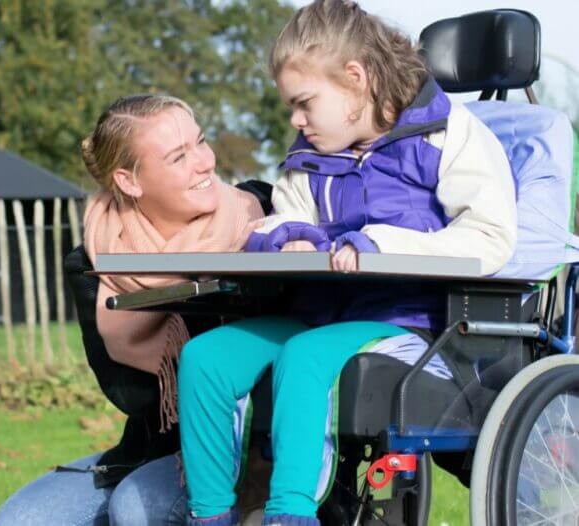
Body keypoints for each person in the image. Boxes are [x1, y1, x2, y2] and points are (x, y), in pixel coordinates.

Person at [176, 1, 517, 525]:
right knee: (206, 359)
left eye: (305, 103)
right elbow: (282, 218)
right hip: (320, 315)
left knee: (307, 356)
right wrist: (287, 237)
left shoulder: (450, 136)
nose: (295, 119)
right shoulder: (310, 155)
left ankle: (288, 516)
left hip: (412, 327)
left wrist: (378, 243)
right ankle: (210, 516)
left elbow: (490, 238)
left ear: (355, 79)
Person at [0, 93, 264, 526]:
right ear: (129, 180)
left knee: (138, 509)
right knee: (22, 519)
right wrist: (177, 289)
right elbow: (132, 395)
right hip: (157, 448)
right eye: (178, 157)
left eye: (201, 141)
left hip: (254, 445)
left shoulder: (261, 220)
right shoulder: (97, 260)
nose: (204, 162)